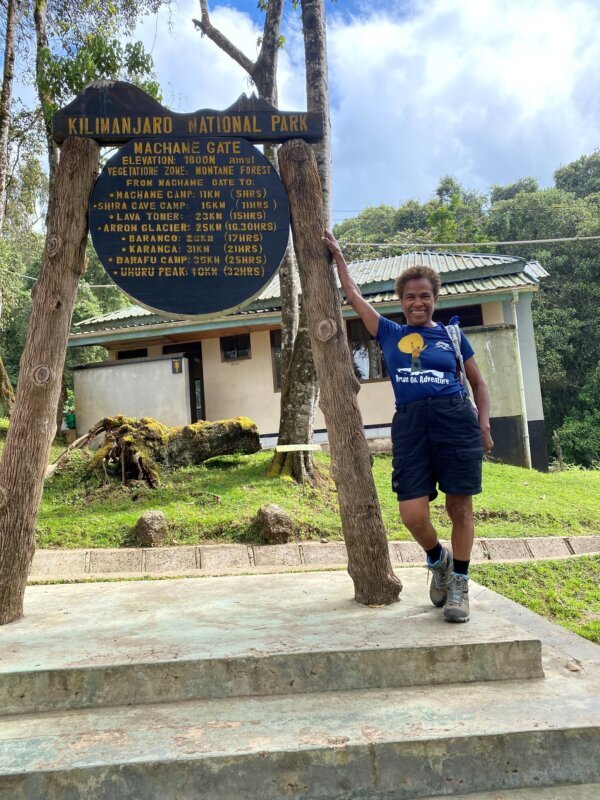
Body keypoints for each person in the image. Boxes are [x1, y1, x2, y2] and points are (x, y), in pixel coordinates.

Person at [322, 230, 493, 623]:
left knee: (459, 506)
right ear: (401, 301)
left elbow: (479, 383)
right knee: (412, 514)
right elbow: (354, 296)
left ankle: (459, 585)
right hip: (411, 426)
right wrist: (339, 257)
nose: (418, 302)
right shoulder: (391, 333)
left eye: (425, 296)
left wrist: (483, 424)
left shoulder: (451, 336)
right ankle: (438, 560)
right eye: (411, 297)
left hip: (455, 420)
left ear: (435, 299)